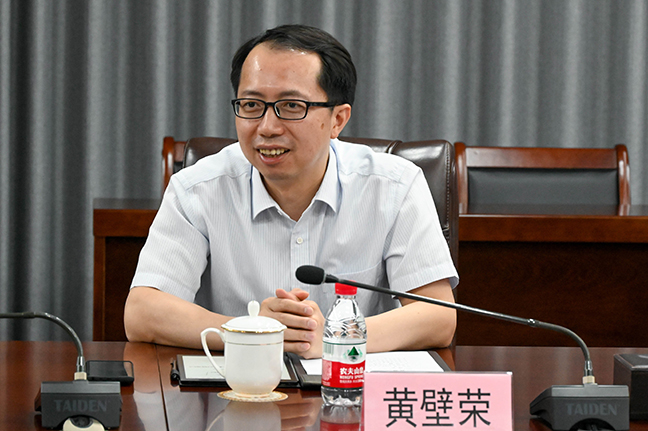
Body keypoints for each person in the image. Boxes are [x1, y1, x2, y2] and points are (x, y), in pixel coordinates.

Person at [124, 24, 458, 359]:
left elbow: (438, 316)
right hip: (233, 387)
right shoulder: (198, 189)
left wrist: (333, 336)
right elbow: (142, 312)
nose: (267, 127)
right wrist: (251, 331)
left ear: (338, 120)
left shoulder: (394, 186)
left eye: (292, 106)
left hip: (348, 385)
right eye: (251, 105)